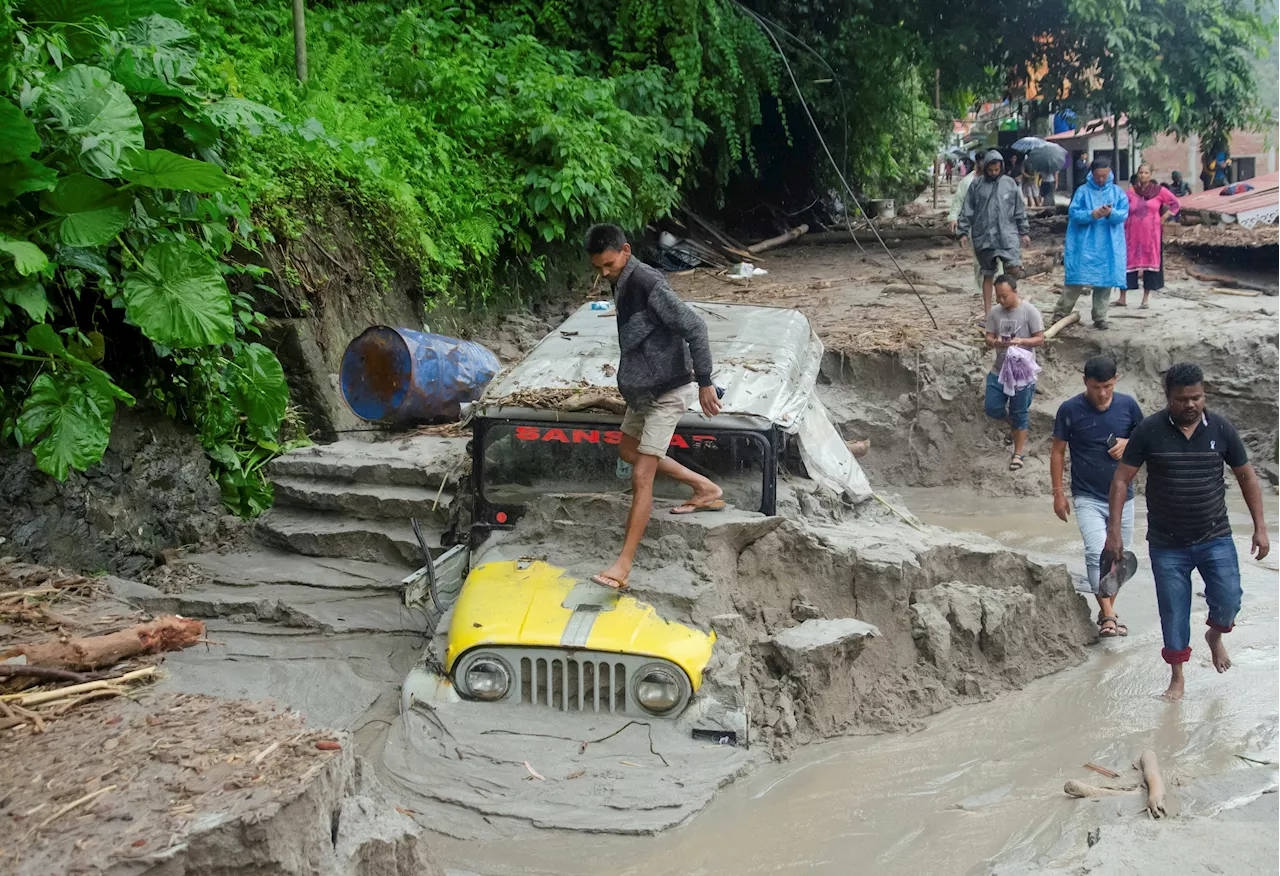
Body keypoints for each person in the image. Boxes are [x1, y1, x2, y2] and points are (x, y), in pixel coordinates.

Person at [1106, 363, 1270, 701]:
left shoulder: (1221, 428)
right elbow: (1122, 478)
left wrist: (1261, 528)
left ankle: (1215, 635)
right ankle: (1177, 678)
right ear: (1169, 398)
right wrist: (1114, 533)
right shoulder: (1149, 431)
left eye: (1196, 397)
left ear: (1203, 395)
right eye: (1182, 399)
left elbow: (1247, 476)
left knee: (1228, 599)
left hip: (1215, 536)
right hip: (1167, 543)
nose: (1191, 405)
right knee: (1174, 610)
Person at [583, 224, 724, 592]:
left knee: (641, 476)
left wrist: (705, 380)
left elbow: (696, 326)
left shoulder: (648, 283)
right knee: (628, 450)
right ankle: (705, 487)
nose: (604, 273)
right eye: (598, 267)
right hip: (643, 390)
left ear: (626, 251)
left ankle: (622, 566)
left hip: (669, 388)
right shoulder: (620, 279)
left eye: (609, 265)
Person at [1051, 356, 1144, 637]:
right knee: (1095, 553)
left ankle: (1107, 615)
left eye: (1107, 386)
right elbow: (1057, 451)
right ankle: (1109, 614)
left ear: (1116, 380)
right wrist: (1058, 493)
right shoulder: (1069, 410)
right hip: (1087, 495)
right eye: (1095, 387)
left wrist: (1128, 443)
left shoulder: (1128, 406)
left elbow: (1146, 440)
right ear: (1084, 383)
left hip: (1124, 497)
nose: (1102, 393)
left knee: (1119, 558)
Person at [1053, 156, 1128, 331]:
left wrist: (1110, 213)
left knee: (1105, 280)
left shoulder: (1117, 192)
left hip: (1108, 245)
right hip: (1084, 244)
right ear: (1091, 174)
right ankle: (1061, 312)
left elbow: (1124, 214)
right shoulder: (1082, 191)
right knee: (1076, 279)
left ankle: (1100, 316)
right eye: (1098, 176)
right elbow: (1074, 213)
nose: (1101, 179)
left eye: (1104, 175)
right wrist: (1091, 215)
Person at [983, 274, 1045, 472]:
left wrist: (1021, 342)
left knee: (1020, 412)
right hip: (999, 369)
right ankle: (1014, 426)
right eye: (998, 297)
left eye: (1005, 296)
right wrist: (995, 342)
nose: (1001, 300)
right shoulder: (994, 313)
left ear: (1015, 292)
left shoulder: (1029, 312)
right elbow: (988, 336)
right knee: (992, 406)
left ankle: (1018, 453)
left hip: (1021, 372)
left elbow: (1040, 339)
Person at [958, 150, 1031, 314]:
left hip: (1007, 235)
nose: (993, 173)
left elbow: (1019, 209)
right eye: (990, 170)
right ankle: (989, 312)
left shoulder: (1010, 184)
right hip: (984, 236)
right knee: (988, 274)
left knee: (1013, 269)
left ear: (1001, 167)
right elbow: (967, 210)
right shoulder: (976, 185)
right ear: (985, 168)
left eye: (996, 170)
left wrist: (1024, 231)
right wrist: (962, 232)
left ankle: (1012, 306)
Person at [1118, 163, 1179, 309]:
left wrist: (1164, 217)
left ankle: (1145, 299)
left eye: (1146, 173)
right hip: (1131, 235)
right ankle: (1122, 298)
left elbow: (1175, 204)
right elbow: (1121, 208)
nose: (1143, 175)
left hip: (1151, 235)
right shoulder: (1131, 192)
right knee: (1126, 264)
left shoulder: (1159, 191)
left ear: (1151, 175)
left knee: (1150, 267)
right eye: (1140, 173)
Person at [949, 157, 1002, 300]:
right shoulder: (968, 182)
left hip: (997, 228)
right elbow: (961, 203)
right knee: (980, 261)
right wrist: (956, 221)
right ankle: (980, 290)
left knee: (1000, 260)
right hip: (977, 228)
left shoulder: (1000, 182)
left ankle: (1000, 289)